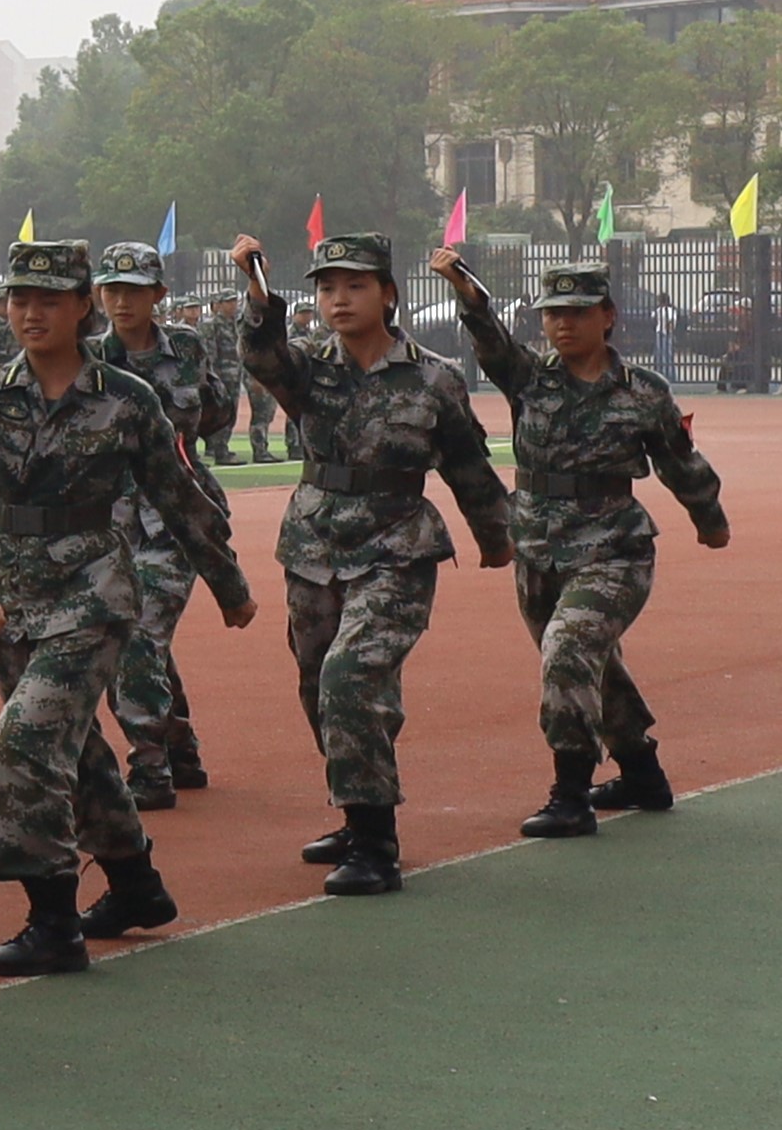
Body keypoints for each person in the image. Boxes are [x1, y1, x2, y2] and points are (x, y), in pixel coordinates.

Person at [0, 243, 251, 977]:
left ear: (82, 306)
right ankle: (135, 883)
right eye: (20, 298)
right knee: (74, 750)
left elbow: (178, 493)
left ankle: (51, 919)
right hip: (7, 598)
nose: (31, 312)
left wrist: (228, 583)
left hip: (92, 590)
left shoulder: (127, 400)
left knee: (25, 740)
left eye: (49, 299)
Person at [236, 229, 513, 896]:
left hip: (397, 547)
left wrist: (497, 537)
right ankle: (355, 806)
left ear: (388, 294)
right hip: (315, 546)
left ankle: (376, 842)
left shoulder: (433, 377)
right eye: (327, 287)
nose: (339, 298)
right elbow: (262, 356)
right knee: (317, 683)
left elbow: (468, 465)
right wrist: (258, 295)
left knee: (350, 677)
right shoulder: (307, 366)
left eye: (355, 285)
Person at [443, 257, 725, 837]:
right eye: (552, 314)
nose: (563, 324)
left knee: (568, 649)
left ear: (608, 316)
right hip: (538, 547)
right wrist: (470, 296)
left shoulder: (643, 391)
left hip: (614, 549)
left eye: (576, 312)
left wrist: (709, 518)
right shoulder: (529, 377)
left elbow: (680, 461)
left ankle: (570, 794)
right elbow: (491, 344)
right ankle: (641, 772)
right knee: (588, 665)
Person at [86, 245, 229, 810]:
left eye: (134, 290)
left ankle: (149, 766)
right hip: (111, 523)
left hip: (176, 520)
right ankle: (179, 744)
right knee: (137, 636)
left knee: (139, 634)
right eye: (111, 290)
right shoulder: (87, 357)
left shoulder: (187, 349)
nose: (121, 301)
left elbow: (215, 410)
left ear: (158, 296)